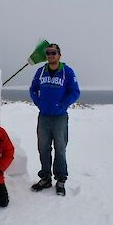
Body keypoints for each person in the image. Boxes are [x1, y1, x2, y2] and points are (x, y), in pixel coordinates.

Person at [29, 43, 80, 196]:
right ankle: (45, 178)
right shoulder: (40, 71)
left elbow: (75, 92)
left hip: (59, 117)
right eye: (48, 53)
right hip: (44, 117)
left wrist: (62, 105)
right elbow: (33, 89)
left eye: (54, 53)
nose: (51, 55)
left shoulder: (67, 72)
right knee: (43, 148)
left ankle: (61, 179)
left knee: (60, 148)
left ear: (59, 55)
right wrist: (39, 103)